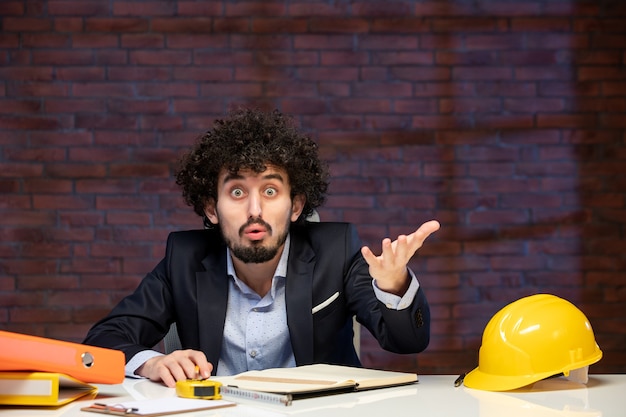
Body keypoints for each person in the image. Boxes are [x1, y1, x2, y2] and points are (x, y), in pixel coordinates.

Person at [83, 108, 440, 388]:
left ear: (296, 206)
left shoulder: (336, 249)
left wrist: (394, 286)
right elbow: (104, 340)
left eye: (270, 191)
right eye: (237, 192)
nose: (255, 209)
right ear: (212, 208)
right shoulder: (184, 257)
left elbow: (406, 342)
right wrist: (151, 362)